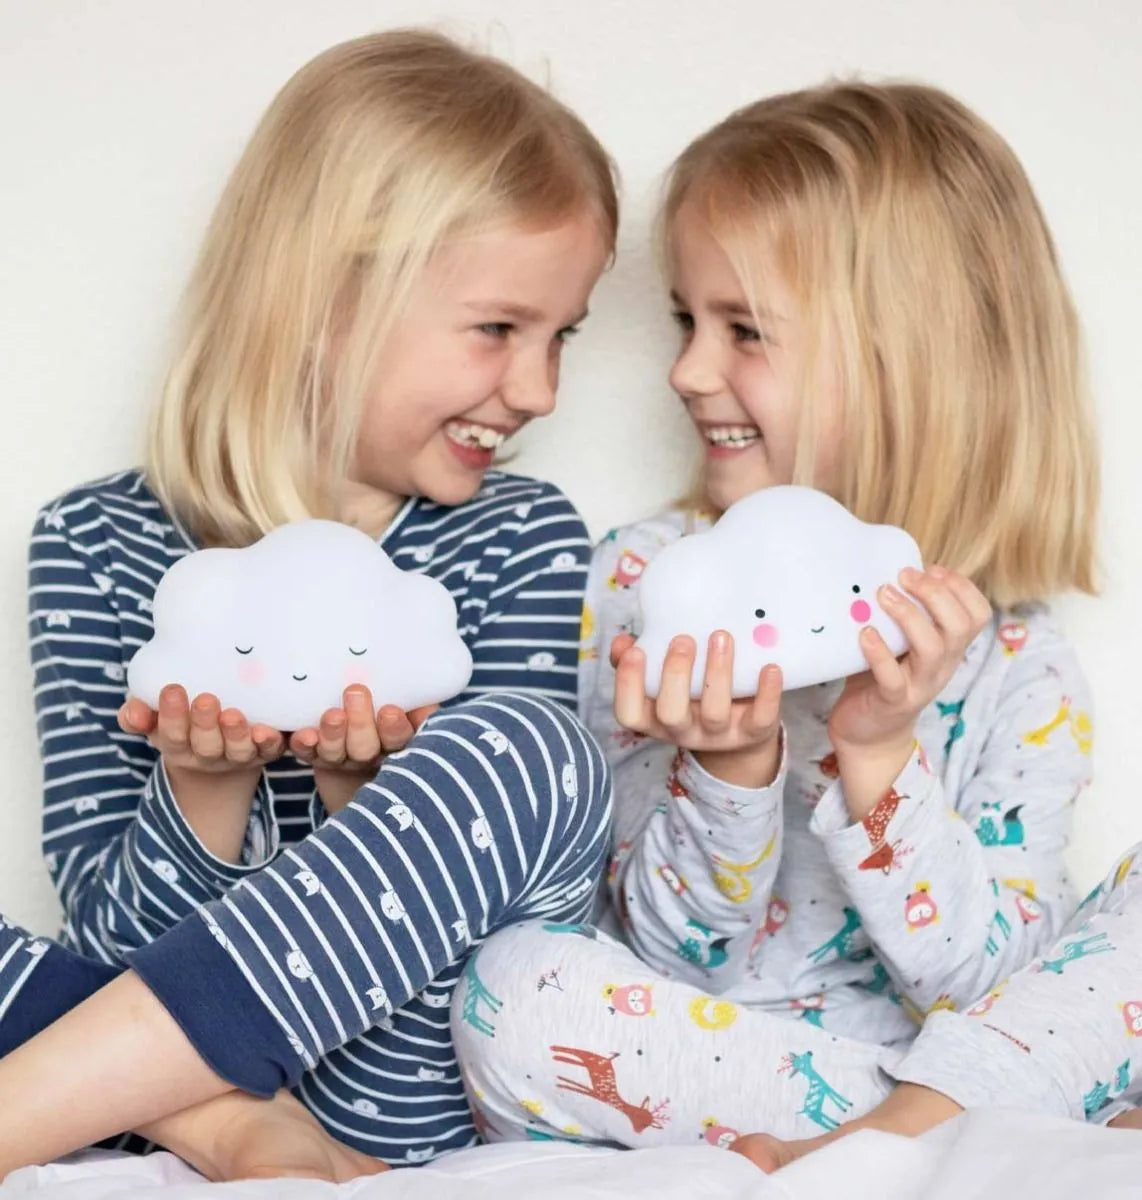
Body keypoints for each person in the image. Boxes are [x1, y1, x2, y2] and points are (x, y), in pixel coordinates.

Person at [1, 27, 617, 1177]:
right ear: (321, 301)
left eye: (561, 337)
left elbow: (516, 935)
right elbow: (106, 944)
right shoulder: (93, 543)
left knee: (534, 748)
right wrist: (201, 790)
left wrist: (361, 788)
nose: (537, 390)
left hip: (406, 1082)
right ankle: (240, 1130)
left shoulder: (522, 535)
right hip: (149, 1091)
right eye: (498, 329)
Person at [453, 80, 1101, 1148]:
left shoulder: (1019, 670)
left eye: (743, 330)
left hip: (954, 1068)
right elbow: (661, 953)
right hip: (734, 1070)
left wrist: (880, 756)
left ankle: (912, 1126)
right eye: (685, 319)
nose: (686, 369)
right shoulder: (644, 584)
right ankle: (907, 1134)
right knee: (512, 985)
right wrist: (727, 769)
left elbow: (995, 990)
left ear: (913, 366)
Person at [730, 843, 1142, 1173]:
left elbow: (964, 976)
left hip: (1001, 1092)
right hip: (1017, 1078)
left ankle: (903, 1132)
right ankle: (911, 1127)